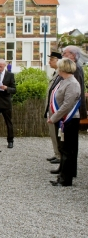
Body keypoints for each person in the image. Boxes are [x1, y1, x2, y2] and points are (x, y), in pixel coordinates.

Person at [48, 58, 81, 187]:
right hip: (62, 119)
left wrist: (55, 117)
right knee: (62, 147)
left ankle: (66, 179)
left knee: (68, 149)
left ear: (63, 68)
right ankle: (61, 173)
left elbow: (68, 104)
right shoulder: (63, 81)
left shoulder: (72, 83)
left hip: (69, 119)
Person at [44, 52, 62, 165]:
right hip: (51, 110)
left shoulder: (60, 75)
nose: (49, 62)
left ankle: (59, 155)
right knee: (53, 134)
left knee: (57, 134)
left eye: (51, 60)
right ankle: (56, 153)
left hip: (56, 111)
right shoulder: (56, 73)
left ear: (57, 60)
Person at [62, 45, 87, 120]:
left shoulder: (75, 68)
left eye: (64, 53)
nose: (62, 55)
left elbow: (74, 91)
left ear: (73, 55)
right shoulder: (73, 67)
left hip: (73, 111)